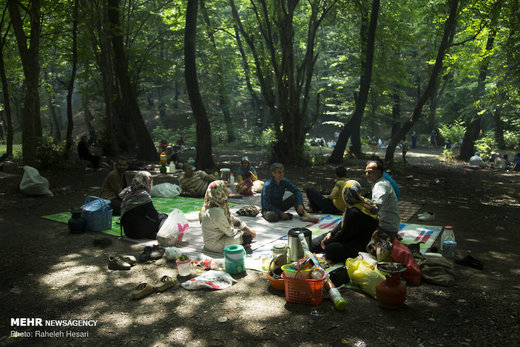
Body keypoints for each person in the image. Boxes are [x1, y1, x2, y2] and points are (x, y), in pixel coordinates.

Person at [310, 180, 379, 263]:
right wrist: (331, 233)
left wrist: (327, 242)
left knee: (329, 249)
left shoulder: (355, 212)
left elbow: (344, 235)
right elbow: (343, 224)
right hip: (348, 236)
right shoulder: (357, 203)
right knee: (314, 243)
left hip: (360, 244)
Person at [199, 180, 257, 253]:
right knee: (246, 236)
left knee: (246, 233)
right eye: (224, 188)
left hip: (221, 236)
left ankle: (241, 243)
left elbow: (232, 218)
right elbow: (230, 232)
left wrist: (247, 228)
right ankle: (241, 245)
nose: (227, 190)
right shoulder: (215, 211)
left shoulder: (217, 205)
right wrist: (242, 231)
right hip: (215, 244)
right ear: (220, 192)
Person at [120, 171, 168, 239]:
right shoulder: (143, 195)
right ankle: (151, 234)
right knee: (164, 217)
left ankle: (150, 233)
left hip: (128, 232)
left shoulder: (127, 191)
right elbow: (154, 215)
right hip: (138, 232)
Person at [365, 160, 400, 239]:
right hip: (391, 225)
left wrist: (358, 201)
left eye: (370, 172)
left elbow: (374, 208)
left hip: (386, 228)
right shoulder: (380, 182)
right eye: (366, 172)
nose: (367, 175)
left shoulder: (380, 185)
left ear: (379, 172)